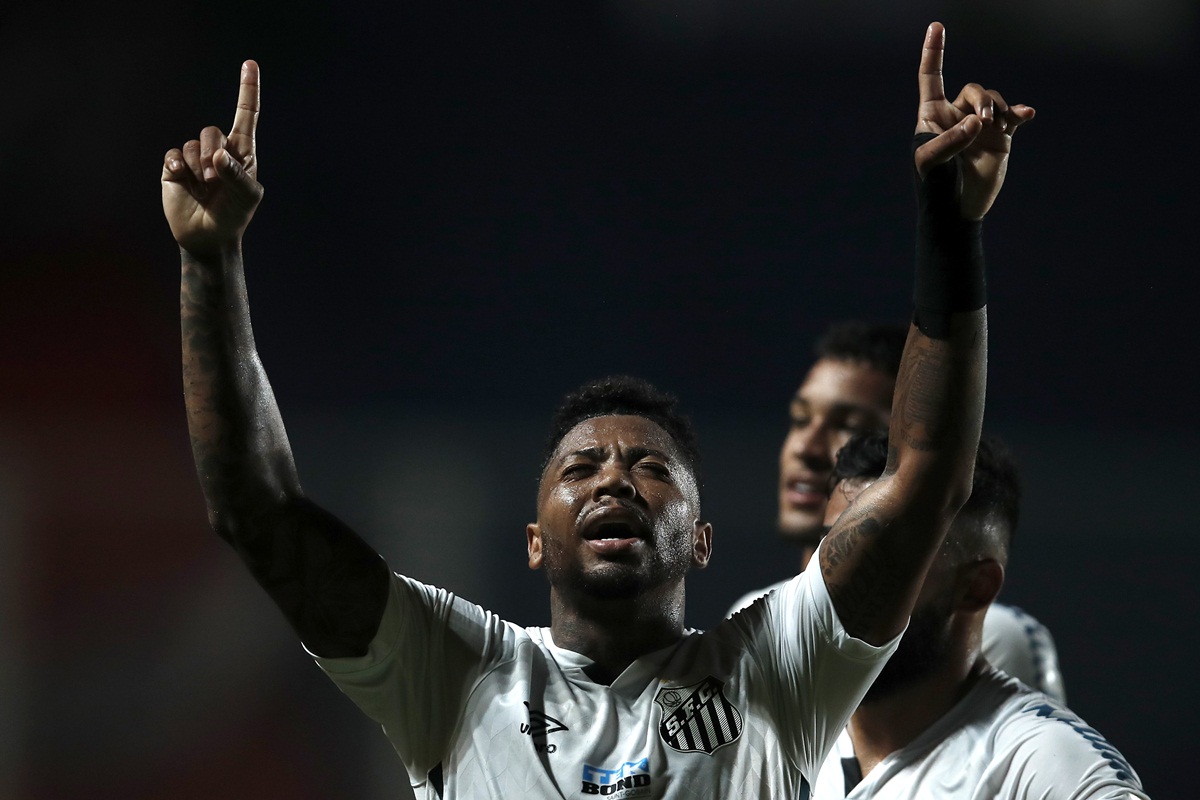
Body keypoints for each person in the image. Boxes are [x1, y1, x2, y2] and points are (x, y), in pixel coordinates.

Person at [160, 21, 1024, 797]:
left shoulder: (774, 668)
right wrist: (211, 262)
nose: (614, 478)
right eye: (580, 468)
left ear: (703, 538)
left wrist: (950, 226)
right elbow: (257, 513)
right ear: (534, 539)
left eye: (652, 469)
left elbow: (924, 476)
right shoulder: (456, 672)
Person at [729, 319, 1065, 701]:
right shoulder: (752, 618)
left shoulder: (994, 638)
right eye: (800, 419)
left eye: (851, 425)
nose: (806, 448)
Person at [809, 431, 1148, 798]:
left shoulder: (1048, 771)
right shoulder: (769, 719)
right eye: (832, 549)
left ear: (976, 587)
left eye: (882, 558)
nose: (837, 584)